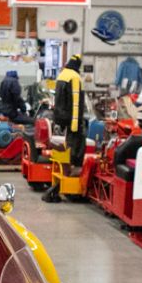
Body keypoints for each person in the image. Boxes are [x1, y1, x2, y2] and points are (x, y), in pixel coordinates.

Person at [45, 54, 85, 202]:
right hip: (72, 117)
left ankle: (68, 165)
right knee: (79, 139)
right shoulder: (74, 77)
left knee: (68, 141)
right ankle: (75, 167)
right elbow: (76, 103)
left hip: (60, 116)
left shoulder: (62, 75)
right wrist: (76, 123)